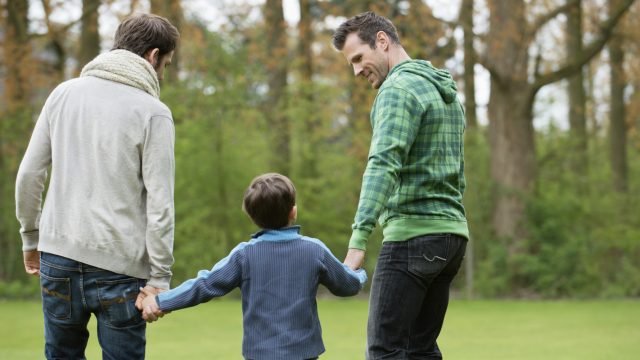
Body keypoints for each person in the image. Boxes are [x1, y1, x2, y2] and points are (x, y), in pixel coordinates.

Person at [15, 13, 179, 360]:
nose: (162, 74)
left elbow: (30, 174)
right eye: (165, 64)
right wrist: (160, 278)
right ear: (152, 56)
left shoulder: (63, 94)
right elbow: (160, 204)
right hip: (121, 269)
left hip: (57, 258)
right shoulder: (153, 112)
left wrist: (31, 238)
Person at [332, 11, 469, 359]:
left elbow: (383, 164)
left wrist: (358, 239)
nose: (357, 70)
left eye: (359, 58)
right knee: (420, 350)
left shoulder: (398, 89)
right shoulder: (445, 92)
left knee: (385, 350)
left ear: (382, 41)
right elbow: (459, 171)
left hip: (412, 239)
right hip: (451, 238)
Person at [139, 173, 367, 360]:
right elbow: (346, 286)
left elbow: (205, 285)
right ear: (293, 211)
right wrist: (359, 274)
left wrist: (160, 301)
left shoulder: (244, 255)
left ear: (252, 217)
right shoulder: (314, 250)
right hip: (304, 355)